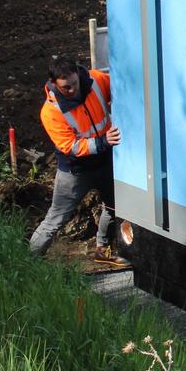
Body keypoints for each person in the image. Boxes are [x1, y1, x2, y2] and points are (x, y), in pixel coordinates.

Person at [29, 55, 128, 266]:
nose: (73, 90)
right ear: (54, 84)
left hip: (105, 162)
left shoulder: (96, 80)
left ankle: (103, 250)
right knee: (55, 219)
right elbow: (70, 147)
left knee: (113, 207)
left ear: (78, 74)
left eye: (74, 84)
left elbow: (123, 89)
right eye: (66, 88)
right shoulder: (50, 112)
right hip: (75, 172)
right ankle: (28, 263)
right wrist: (103, 142)